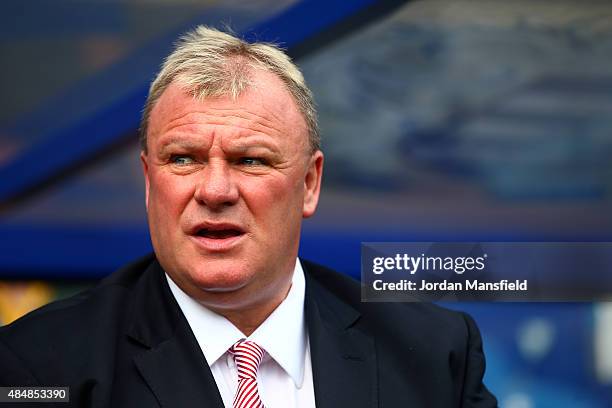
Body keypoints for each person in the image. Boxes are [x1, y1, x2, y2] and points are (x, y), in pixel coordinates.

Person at [0, 26, 497, 407]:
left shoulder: (435, 354)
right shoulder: (40, 367)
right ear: (150, 182)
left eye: (250, 160)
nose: (215, 190)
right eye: (183, 159)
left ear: (309, 184)